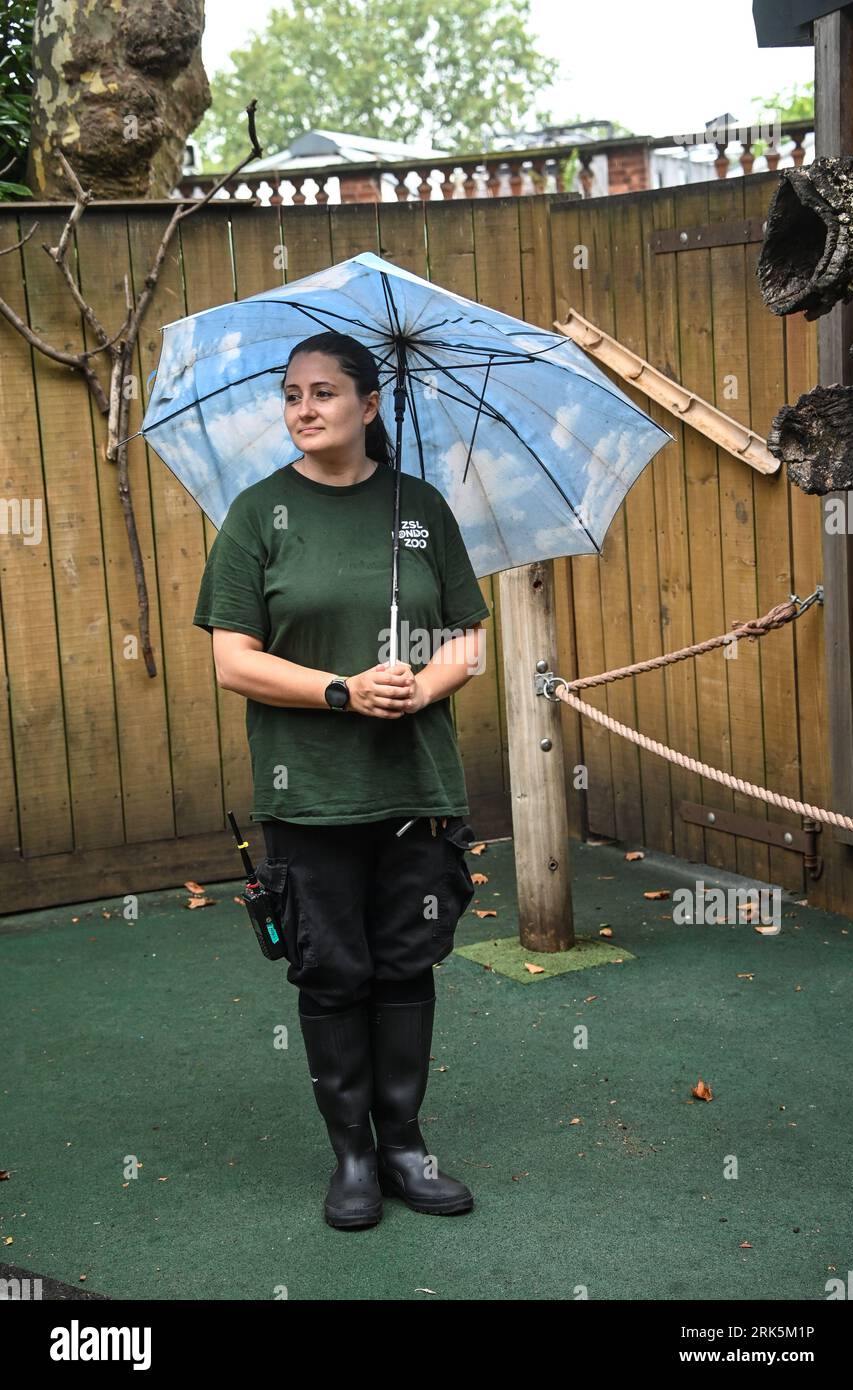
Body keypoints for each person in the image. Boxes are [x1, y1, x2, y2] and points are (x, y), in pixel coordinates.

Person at [192, 330, 490, 1230]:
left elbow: (468, 638)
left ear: (369, 406)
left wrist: (415, 685)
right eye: (292, 395)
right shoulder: (257, 514)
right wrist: (340, 691)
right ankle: (353, 1155)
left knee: (406, 964)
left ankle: (405, 1144)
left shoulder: (420, 509)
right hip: (311, 790)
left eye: (325, 393)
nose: (304, 409)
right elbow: (232, 662)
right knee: (331, 971)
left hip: (415, 786)